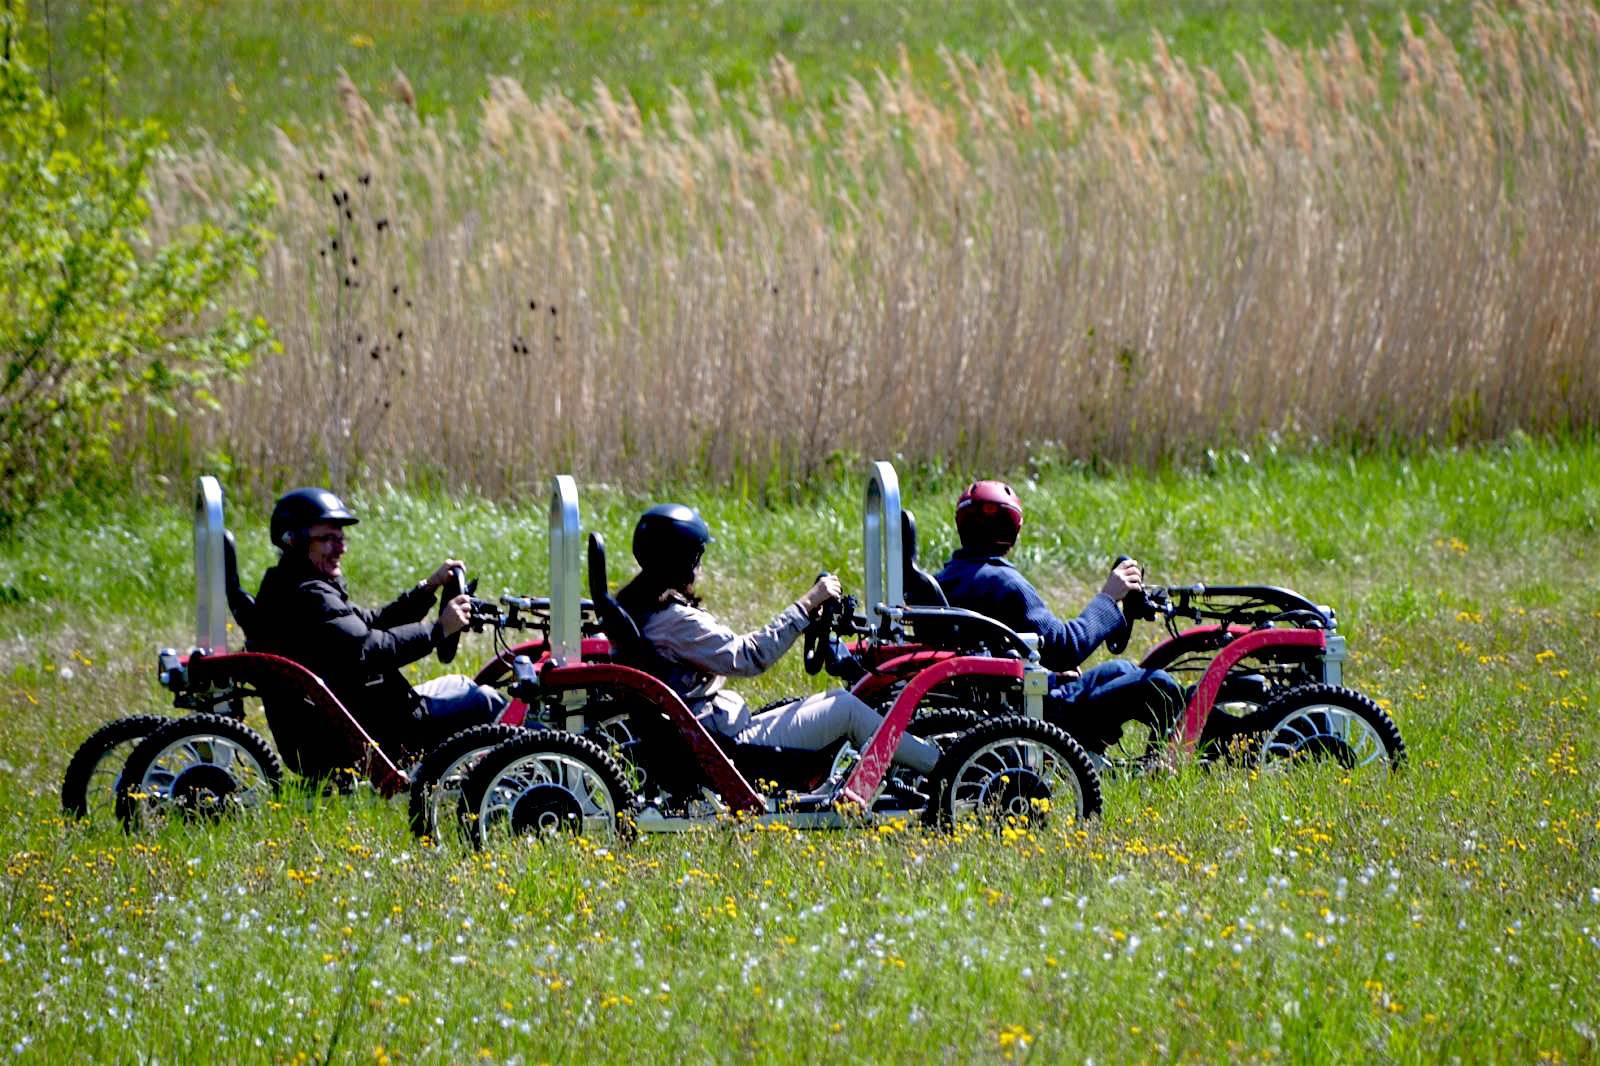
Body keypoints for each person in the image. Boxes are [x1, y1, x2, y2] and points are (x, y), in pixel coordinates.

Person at [615, 504, 941, 795]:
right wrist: (806, 604)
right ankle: (945, 767)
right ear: (686, 560)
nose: (701, 567)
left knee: (830, 701)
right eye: (699, 557)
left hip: (708, 733)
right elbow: (750, 656)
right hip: (725, 744)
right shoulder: (674, 620)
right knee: (847, 708)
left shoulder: (638, 607)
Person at [248, 487, 507, 774]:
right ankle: (546, 770)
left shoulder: (294, 585)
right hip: (366, 736)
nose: (341, 548)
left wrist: (427, 588)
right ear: (293, 541)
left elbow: (369, 623)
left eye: (341, 538)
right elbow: (369, 650)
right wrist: (438, 630)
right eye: (327, 539)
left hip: (360, 716)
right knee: (488, 702)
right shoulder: (307, 597)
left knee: (460, 684)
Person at [934, 480, 1184, 759]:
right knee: (1159, 685)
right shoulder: (1002, 582)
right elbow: (1064, 648)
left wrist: (1049, 674)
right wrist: (1109, 597)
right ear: (1014, 530)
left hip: (996, 701)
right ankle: (1162, 770)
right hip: (1034, 712)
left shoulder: (945, 580)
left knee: (1120, 670)